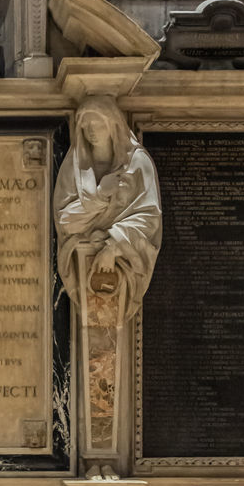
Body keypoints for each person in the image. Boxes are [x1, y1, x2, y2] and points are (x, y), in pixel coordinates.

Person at [54, 96, 161, 325]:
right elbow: (65, 221)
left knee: (108, 329)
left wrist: (113, 247)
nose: (91, 131)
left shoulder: (137, 163)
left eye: (97, 124)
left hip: (123, 261)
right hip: (81, 259)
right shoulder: (75, 167)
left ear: (112, 124)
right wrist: (101, 195)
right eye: (86, 125)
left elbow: (149, 218)